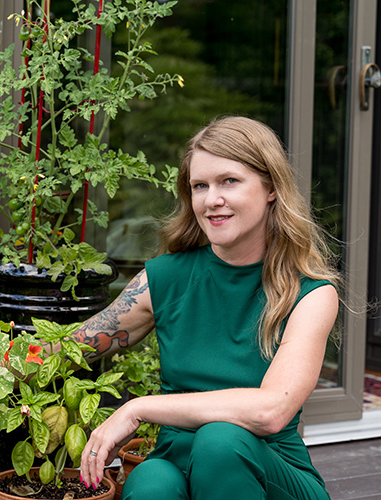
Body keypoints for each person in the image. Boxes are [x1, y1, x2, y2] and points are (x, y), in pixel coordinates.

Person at [75, 116, 339, 499]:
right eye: (200, 186)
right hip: (176, 460)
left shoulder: (310, 293)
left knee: (220, 441)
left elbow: (271, 411)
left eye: (229, 181)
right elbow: (70, 347)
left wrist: (137, 409)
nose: (211, 199)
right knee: (151, 484)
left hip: (270, 473)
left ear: (270, 188)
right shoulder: (165, 279)